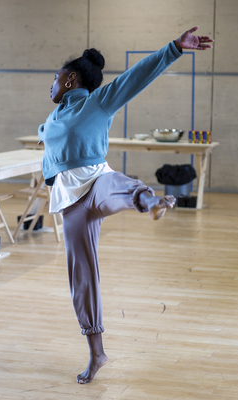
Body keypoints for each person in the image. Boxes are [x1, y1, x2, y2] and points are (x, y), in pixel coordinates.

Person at [38, 27, 213, 384]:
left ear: (71, 79)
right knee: (82, 280)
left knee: (116, 183)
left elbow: (135, 78)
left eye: (55, 78)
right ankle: (97, 353)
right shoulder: (52, 120)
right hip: (71, 202)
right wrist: (51, 176)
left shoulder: (97, 102)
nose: (50, 84)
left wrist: (175, 49)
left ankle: (150, 201)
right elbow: (49, 150)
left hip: (96, 181)